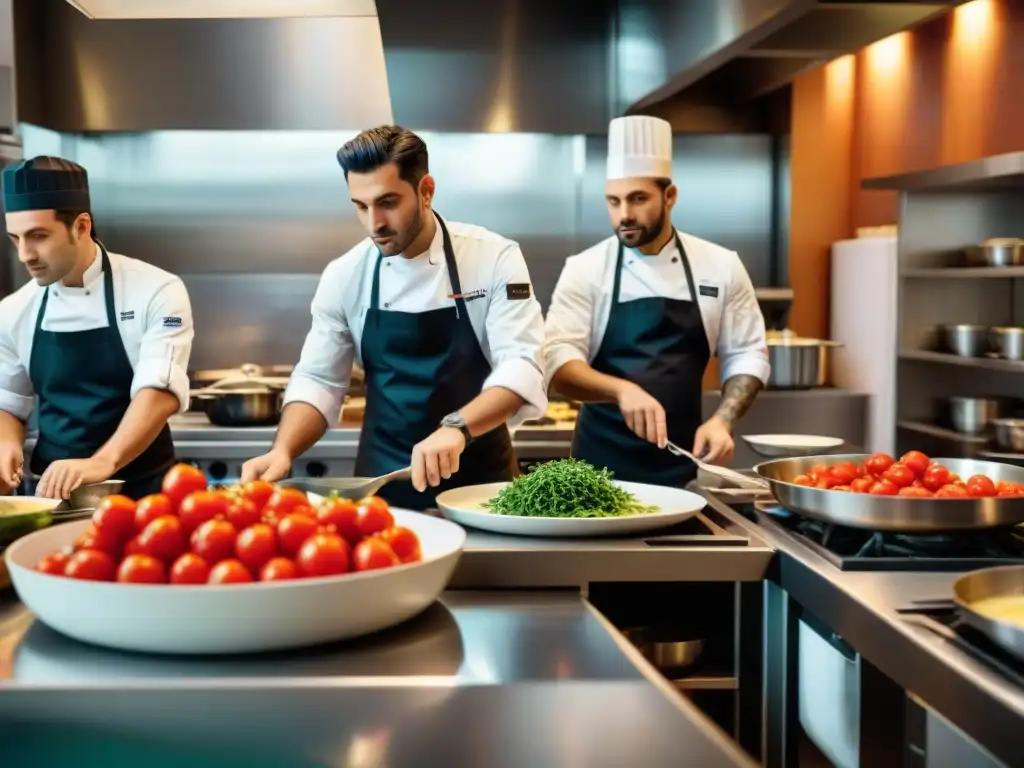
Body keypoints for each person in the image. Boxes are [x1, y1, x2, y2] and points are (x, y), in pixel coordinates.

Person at [241, 126, 546, 510]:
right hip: (382, 490)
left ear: (426, 191)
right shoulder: (345, 274)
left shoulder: (492, 258)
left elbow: (522, 363)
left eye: (388, 202)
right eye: (360, 206)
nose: (374, 223)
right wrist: (283, 450)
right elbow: (319, 380)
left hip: (483, 489)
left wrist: (457, 427)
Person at [543, 115, 769, 488]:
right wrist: (622, 390)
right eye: (613, 202)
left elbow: (748, 354)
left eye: (638, 199)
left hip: (684, 471)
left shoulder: (720, 265)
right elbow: (557, 361)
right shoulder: (585, 268)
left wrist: (723, 420)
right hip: (595, 473)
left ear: (670, 196)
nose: (624, 215)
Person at [0, 156, 194, 500]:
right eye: (16, 239)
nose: (24, 255)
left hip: (145, 494)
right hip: (53, 497)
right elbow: (9, 402)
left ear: (81, 226)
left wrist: (104, 461)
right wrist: (5, 446)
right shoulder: (13, 310)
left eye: (38, 236)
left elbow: (159, 391)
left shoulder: (156, 289)